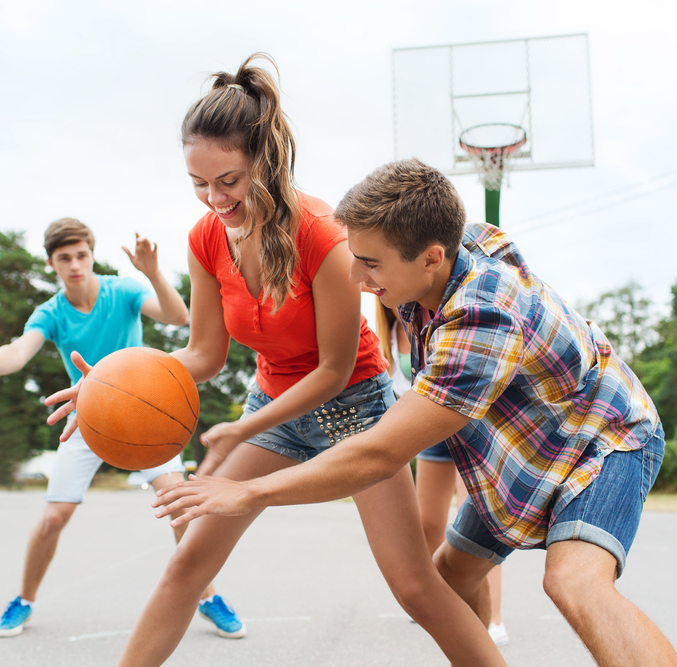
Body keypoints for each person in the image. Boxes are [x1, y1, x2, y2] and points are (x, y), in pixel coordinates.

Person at [46, 55, 503, 666]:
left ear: (265, 158)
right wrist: (108, 384)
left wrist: (243, 427)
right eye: (199, 184)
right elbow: (204, 354)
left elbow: (333, 371)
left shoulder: (324, 234)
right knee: (187, 564)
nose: (214, 199)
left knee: (416, 588)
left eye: (228, 181)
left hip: (357, 411)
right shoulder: (205, 237)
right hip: (272, 408)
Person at [158, 159, 677, 667]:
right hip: (521, 448)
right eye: (355, 255)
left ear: (431, 258)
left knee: (572, 582)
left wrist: (248, 492)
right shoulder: (445, 245)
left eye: (371, 264)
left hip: (600, 437)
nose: (357, 277)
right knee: (449, 582)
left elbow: (380, 452)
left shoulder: (480, 321)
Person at [0, 219, 245, 640]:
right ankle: (24, 599)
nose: (75, 265)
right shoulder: (51, 312)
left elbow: (178, 317)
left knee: (178, 503)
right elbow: (18, 352)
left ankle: (207, 595)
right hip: (86, 418)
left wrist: (152, 271)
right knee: (54, 517)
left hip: (145, 415)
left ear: (91, 254)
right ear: (51, 262)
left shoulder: (121, 291)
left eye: (81, 255)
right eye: (64, 258)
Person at [373, 298, 509, 647]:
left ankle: (492, 620)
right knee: (428, 524)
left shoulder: (435, 315)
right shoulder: (387, 332)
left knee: (478, 527)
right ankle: (445, 599)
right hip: (429, 434)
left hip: (468, 426)